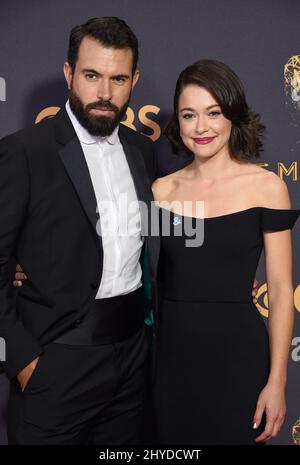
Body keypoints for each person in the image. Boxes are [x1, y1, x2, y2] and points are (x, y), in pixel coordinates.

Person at [0, 16, 160, 445]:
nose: (104, 93)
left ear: (134, 80)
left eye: (118, 78)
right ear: (69, 73)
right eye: (92, 75)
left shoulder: (144, 152)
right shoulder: (24, 152)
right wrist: (22, 359)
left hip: (131, 359)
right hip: (56, 360)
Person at [151, 59, 299, 445]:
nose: (201, 128)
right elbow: (135, 269)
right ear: (177, 123)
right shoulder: (159, 192)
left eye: (213, 113)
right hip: (169, 364)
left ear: (232, 115)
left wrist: (277, 382)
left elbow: (282, 289)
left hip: (239, 361)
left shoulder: (266, 187)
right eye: (189, 115)